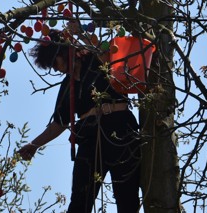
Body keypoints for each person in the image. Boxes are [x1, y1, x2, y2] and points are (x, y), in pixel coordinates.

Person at [18, 27, 142, 213]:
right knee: (79, 202)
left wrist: (79, 34)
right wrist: (34, 144)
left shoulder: (95, 59)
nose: (56, 69)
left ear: (63, 50)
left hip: (120, 132)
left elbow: (106, 51)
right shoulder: (68, 86)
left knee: (127, 199)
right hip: (89, 140)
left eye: (55, 62)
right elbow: (59, 123)